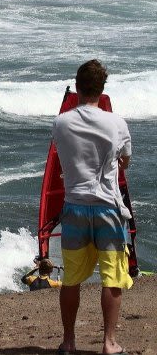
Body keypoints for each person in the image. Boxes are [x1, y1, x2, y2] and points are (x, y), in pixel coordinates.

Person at [52, 59, 132, 355]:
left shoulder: (61, 122)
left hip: (74, 207)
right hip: (108, 209)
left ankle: (69, 342)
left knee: (71, 279)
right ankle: (109, 344)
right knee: (112, 277)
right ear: (102, 88)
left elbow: (63, 157)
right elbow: (125, 163)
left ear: (77, 86)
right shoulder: (117, 124)